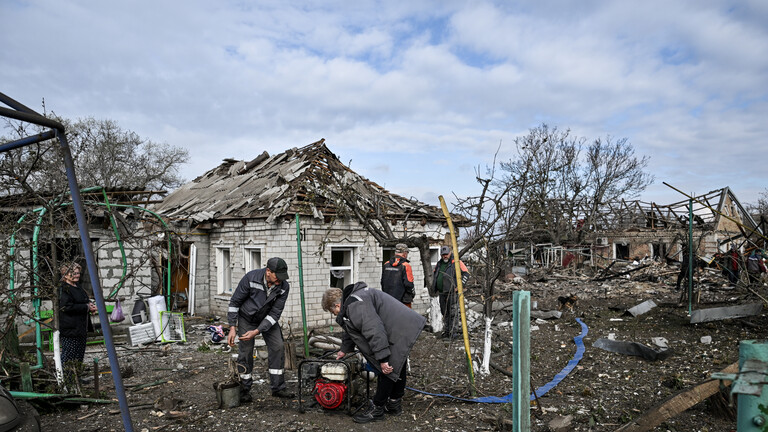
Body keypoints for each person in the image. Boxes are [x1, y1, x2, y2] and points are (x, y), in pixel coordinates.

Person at [322, 283, 426, 424]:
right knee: (397, 364)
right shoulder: (353, 301)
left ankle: (377, 409)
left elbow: (374, 330)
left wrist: (383, 358)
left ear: (336, 306)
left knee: (386, 368)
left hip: (398, 328)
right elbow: (351, 329)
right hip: (402, 325)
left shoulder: (355, 305)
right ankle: (394, 404)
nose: (334, 314)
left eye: (331, 311)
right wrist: (344, 350)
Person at [227, 257, 294, 401]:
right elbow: (234, 302)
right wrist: (232, 327)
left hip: (267, 319)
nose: (280, 281)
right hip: (246, 318)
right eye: (278, 276)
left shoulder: (283, 287)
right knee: (245, 351)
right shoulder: (251, 278)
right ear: (268, 271)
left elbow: (275, 313)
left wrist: (257, 331)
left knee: (278, 347)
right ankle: (244, 389)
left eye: (282, 278)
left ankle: (278, 388)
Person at [58, 262, 97, 388]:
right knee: (69, 355)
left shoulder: (77, 286)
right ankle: (67, 381)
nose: (77, 275)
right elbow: (66, 307)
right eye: (73, 273)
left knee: (79, 355)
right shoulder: (64, 289)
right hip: (70, 328)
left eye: (78, 272)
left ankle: (77, 378)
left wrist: (90, 305)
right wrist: (85, 307)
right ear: (65, 274)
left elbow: (83, 300)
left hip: (80, 327)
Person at [429, 246, 469, 339]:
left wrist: (459, 287)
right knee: (445, 313)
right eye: (443, 255)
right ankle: (447, 332)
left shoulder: (456, 262)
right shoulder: (439, 264)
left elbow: (466, 274)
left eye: (446, 254)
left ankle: (453, 333)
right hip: (442, 293)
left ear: (450, 253)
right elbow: (435, 275)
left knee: (453, 313)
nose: (445, 256)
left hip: (452, 293)